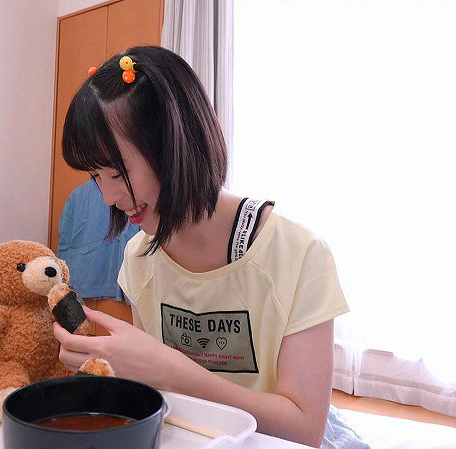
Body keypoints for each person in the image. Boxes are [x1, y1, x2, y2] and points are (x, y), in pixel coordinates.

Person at [53, 46, 369, 448]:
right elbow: (160, 402)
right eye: (96, 176)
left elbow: (304, 429)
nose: (108, 197)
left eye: (116, 173)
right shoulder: (139, 258)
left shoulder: (299, 253)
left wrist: (172, 370)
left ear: (175, 145)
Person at [57, 179, 140, 335]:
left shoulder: (78, 195)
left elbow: (65, 245)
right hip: (102, 298)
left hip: (83, 292)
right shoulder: (132, 192)